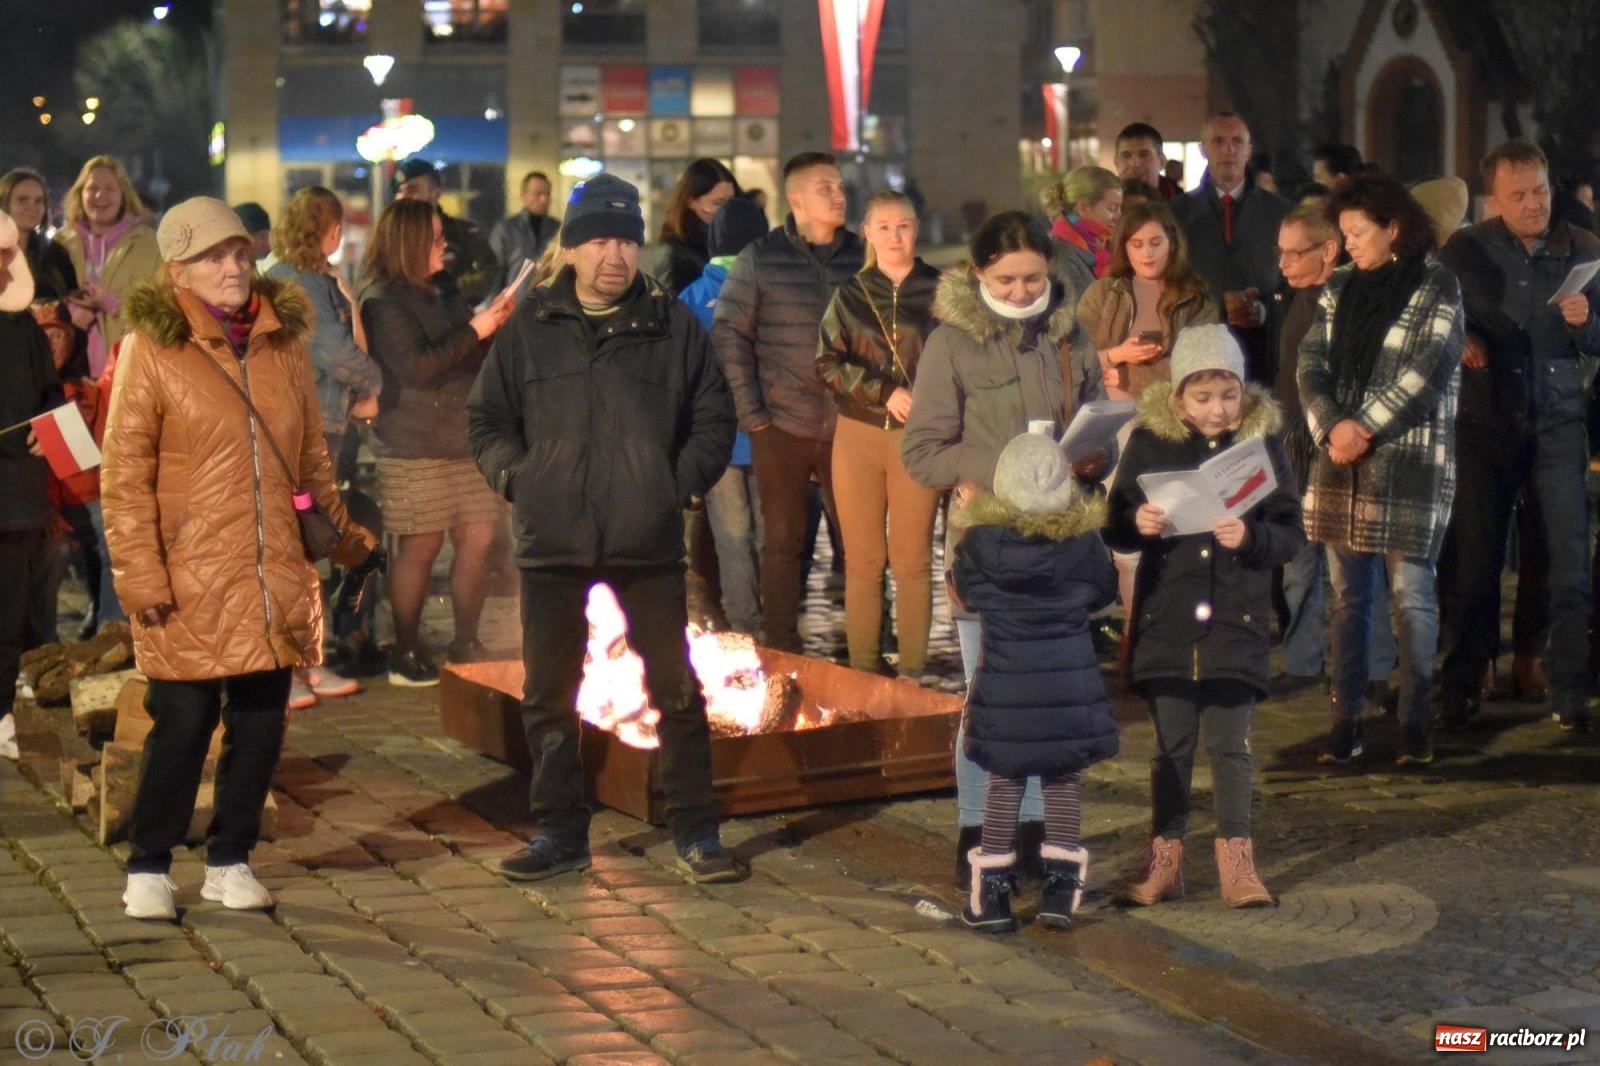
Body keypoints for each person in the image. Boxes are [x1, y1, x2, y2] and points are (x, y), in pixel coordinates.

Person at [101, 198, 377, 920]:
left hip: (271, 567)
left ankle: (230, 858)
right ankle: (150, 866)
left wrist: (349, 541)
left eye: (238, 254)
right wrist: (140, 575)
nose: (232, 268)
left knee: (261, 720)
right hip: (187, 572)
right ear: (178, 270)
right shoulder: (150, 349)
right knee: (183, 721)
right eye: (212, 257)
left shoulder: (283, 342)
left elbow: (312, 461)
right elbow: (124, 475)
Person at [466, 173, 741, 884]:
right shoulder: (531, 325)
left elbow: (713, 416)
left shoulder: (671, 323)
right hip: (553, 538)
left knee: (675, 689)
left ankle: (697, 832)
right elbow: (487, 418)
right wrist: (517, 479)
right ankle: (560, 832)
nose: (613, 255)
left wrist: (672, 485)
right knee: (548, 694)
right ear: (571, 247)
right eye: (597, 240)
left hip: (644, 538)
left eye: (625, 239)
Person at [902, 211, 1110, 886]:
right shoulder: (952, 343)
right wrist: (1007, 466)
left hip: (1062, 545)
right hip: (988, 544)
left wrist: (1091, 455)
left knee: (1048, 697)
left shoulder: (1069, 331)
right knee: (989, 698)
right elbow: (924, 450)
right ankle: (979, 835)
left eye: (1034, 279)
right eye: (1007, 280)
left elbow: (1098, 415)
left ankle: (1035, 836)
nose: (1023, 292)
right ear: (979, 273)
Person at [1106, 325, 1302, 908]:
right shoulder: (1149, 442)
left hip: (1235, 619)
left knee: (1229, 745)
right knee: (1170, 747)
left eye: (1228, 395)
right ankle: (1164, 860)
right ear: (1177, 398)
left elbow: (1290, 533)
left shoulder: (1263, 446)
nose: (1217, 410)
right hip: (1168, 617)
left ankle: (1237, 863)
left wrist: (1251, 536)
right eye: (1202, 397)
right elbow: (1116, 519)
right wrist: (1134, 523)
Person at [1299, 173, 1464, 765]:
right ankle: (1346, 717)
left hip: (1407, 464)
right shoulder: (1339, 285)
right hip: (1342, 467)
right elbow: (1311, 359)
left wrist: (1362, 426)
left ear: (1393, 228)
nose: (1348, 246)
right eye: (1343, 235)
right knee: (1346, 599)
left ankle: (1415, 721)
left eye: (1358, 233)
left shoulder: (1436, 286)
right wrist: (1332, 425)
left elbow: (1428, 368)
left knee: (1411, 597)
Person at [1436, 141, 1600, 733]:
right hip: (1486, 420)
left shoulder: (1582, 248)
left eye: (1541, 191)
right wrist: (1463, 343)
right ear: (1493, 199)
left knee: (1566, 557)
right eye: (1520, 195)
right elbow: (1437, 321)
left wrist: (1588, 327)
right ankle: (1465, 679)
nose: (1535, 204)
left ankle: (1570, 687)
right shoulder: (1465, 250)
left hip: (1557, 418)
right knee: (1477, 559)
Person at [950, 432, 1117, 932]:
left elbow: (965, 595)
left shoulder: (982, 544)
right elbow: (1102, 595)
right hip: (1068, 692)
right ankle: (1060, 893)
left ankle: (992, 901)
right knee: (1063, 781)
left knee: (1006, 783)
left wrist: (971, 514)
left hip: (1007, 691)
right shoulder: (1083, 544)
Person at [711, 151, 864, 653]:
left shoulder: (860, 256)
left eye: (840, 187)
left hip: (849, 423)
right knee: (782, 542)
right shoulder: (762, 258)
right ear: (796, 199)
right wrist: (753, 416)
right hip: (782, 422)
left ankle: (865, 645)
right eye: (825, 188)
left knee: (860, 545)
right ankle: (779, 645)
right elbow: (730, 335)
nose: (838, 195)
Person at [360, 199, 515, 686]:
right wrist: (476, 328)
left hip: (464, 434)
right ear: (407, 243)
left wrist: (491, 326)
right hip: (414, 441)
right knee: (421, 546)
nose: (444, 244)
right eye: (434, 236)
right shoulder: (383, 301)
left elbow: (462, 348)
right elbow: (418, 366)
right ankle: (405, 649)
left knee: (481, 538)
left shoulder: (443, 288)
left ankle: (466, 639)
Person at [1076, 199, 1218, 649]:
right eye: (1137, 244)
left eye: (1156, 242)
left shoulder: (1195, 295)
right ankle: (1138, 638)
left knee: (1176, 530)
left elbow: (1211, 363)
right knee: (1126, 535)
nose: (1147, 253)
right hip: (1118, 423)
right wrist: (1115, 356)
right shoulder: (1107, 292)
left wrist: (1165, 368)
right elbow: (1072, 357)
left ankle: (1177, 631)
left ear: (1172, 243)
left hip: (1174, 427)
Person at [815, 190, 942, 679]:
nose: (895, 236)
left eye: (904, 225)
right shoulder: (849, 294)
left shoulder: (939, 290)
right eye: (884, 226)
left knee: (912, 561)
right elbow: (826, 362)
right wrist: (882, 390)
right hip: (859, 434)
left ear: (917, 229)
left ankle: (912, 675)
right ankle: (863, 673)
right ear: (867, 231)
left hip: (917, 440)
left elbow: (959, 362)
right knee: (864, 561)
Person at [266, 187, 385, 702]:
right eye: (336, 227)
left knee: (309, 541)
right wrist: (377, 382)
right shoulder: (300, 283)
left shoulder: (308, 279)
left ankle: (303, 664)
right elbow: (334, 350)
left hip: (318, 424)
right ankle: (286, 671)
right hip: (303, 428)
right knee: (297, 544)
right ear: (326, 229)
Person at [680, 197, 772, 636]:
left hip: (717, 442)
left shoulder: (692, 298)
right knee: (773, 540)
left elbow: (681, 377)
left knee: (732, 541)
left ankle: (745, 629)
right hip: (775, 433)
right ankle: (777, 625)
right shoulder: (774, 290)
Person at [1171, 112, 1292, 385]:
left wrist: (1264, 310)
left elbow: (1293, 286)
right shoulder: (1175, 214)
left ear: (1249, 150)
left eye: (1237, 142)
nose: (1229, 150)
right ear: (1203, 149)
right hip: (1196, 350)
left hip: (1263, 353)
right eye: (1218, 141)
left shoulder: (1281, 213)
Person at [0, 209, 57, 762]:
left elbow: (52, 395)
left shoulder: (24, 329)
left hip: (16, 495)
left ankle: (0, 714)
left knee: (9, 608)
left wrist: (52, 431)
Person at [55, 156, 160, 380]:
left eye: (110, 188)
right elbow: (46, 301)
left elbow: (161, 309)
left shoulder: (148, 243)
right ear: (80, 194)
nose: (100, 196)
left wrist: (110, 302)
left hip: (129, 372)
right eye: (92, 188)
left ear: (123, 194)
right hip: (70, 374)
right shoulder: (60, 243)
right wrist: (70, 316)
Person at [394, 157, 498, 305]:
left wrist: (449, 290)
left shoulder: (463, 233)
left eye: (413, 189)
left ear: (435, 193)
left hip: (453, 319)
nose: (404, 196)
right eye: (399, 191)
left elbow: (487, 274)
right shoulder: (389, 238)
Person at [655, 158, 739, 297]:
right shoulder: (675, 253)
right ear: (691, 202)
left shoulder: (735, 239)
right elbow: (671, 308)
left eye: (731, 201)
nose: (727, 210)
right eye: (718, 203)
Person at [0, 168, 78, 302]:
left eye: (38, 201)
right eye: (22, 200)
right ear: (4, 203)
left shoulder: (56, 254)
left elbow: (72, 297)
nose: (32, 206)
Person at [1045, 166, 1123, 298]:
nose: (1119, 215)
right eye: (1112, 208)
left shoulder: (1104, 244)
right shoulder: (1060, 253)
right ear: (1084, 208)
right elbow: (1073, 314)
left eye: (1120, 208)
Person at [489, 170, 560, 299]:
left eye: (547, 194)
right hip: (514, 307)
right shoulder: (506, 229)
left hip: (548, 305)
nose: (544, 199)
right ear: (524, 196)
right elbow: (494, 272)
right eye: (538, 194)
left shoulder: (557, 229)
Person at [1114, 123, 1181, 200]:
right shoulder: (1102, 206)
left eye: (1144, 155)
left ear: (1162, 162)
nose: (1135, 163)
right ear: (1116, 163)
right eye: (1126, 156)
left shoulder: (1181, 207)